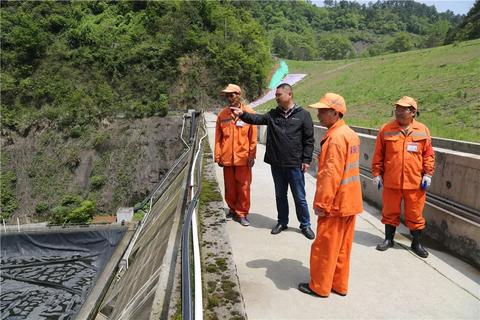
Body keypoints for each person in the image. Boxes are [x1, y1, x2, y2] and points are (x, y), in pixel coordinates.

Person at [298, 93, 363, 298]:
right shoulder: (350, 134)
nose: (318, 114)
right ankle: (338, 285)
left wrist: (322, 204)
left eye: (323, 111)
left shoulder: (334, 139)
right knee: (342, 248)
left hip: (335, 204)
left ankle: (319, 286)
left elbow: (330, 176)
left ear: (336, 113)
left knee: (325, 248)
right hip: (350, 202)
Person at [231, 83, 315, 240]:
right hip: (277, 164)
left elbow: (309, 140)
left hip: (295, 164)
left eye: (279, 95)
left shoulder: (303, 115)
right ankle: (282, 222)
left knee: (300, 197)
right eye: (276, 95)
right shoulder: (273, 114)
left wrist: (306, 160)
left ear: (289, 95)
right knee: (280, 195)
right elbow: (256, 119)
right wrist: (242, 114)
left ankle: (305, 225)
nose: (276, 98)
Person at [371, 96, 435, 258]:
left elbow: (428, 154)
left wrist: (428, 174)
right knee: (389, 211)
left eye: (402, 109)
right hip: (391, 181)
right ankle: (388, 239)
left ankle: (416, 243)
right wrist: (377, 174)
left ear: (413, 112)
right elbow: (379, 154)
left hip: (415, 183)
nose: (398, 112)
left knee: (415, 214)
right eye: (397, 109)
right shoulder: (386, 129)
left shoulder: (422, 130)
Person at [214, 84, 257, 226]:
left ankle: (242, 213)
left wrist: (252, 155)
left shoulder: (248, 112)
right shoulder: (223, 114)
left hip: (243, 158)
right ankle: (232, 209)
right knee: (230, 186)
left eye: (232, 95)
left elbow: (253, 137)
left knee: (244, 187)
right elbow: (218, 137)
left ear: (238, 95)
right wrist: (218, 155)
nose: (229, 98)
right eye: (227, 95)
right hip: (227, 158)